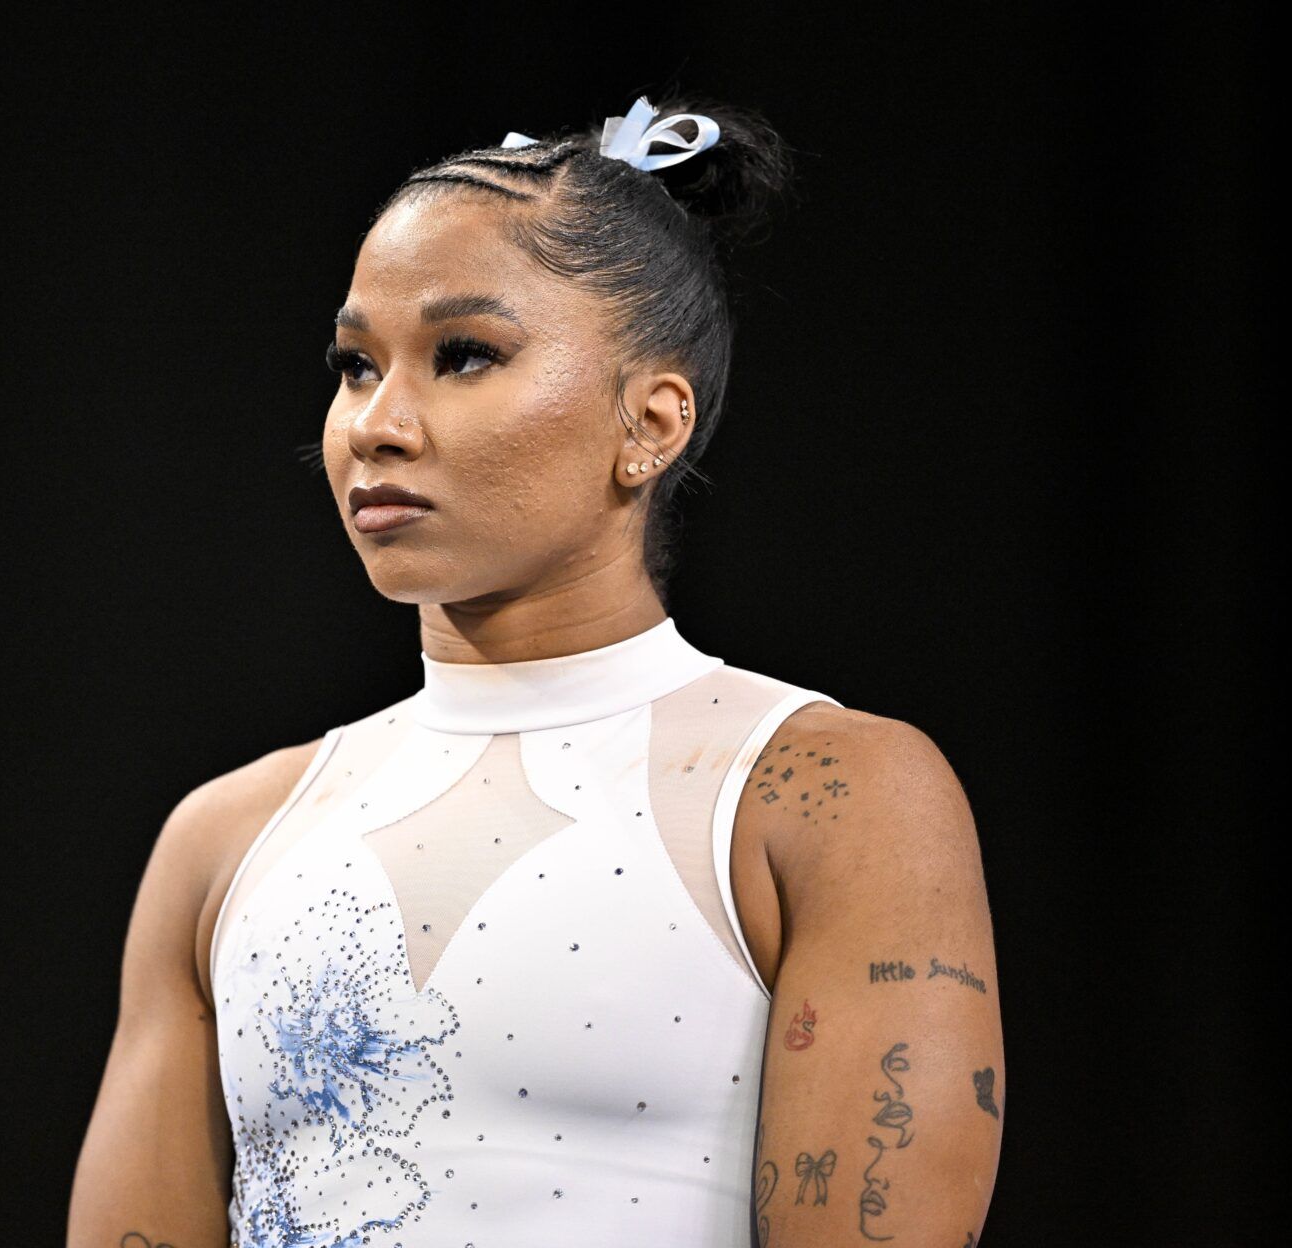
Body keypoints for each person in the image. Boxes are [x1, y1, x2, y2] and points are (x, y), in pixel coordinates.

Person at [67, 92, 1003, 1247]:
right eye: (355, 365)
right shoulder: (223, 837)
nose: (378, 422)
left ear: (651, 421)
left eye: (464, 355)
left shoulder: (826, 794)